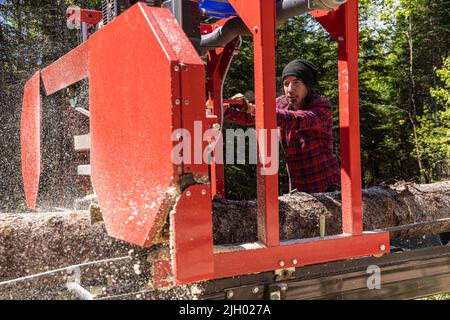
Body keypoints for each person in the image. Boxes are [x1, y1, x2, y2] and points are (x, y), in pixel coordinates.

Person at [223, 59, 341, 193]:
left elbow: (297, 120)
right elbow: (252, 118)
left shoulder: (322, 106)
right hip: (298, 186)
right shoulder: (280, 103)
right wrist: (224, 111)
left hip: (327, 186)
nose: (290, 89)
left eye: (296, 82)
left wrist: (255, 109)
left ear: (308, 85)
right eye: (286, 84)